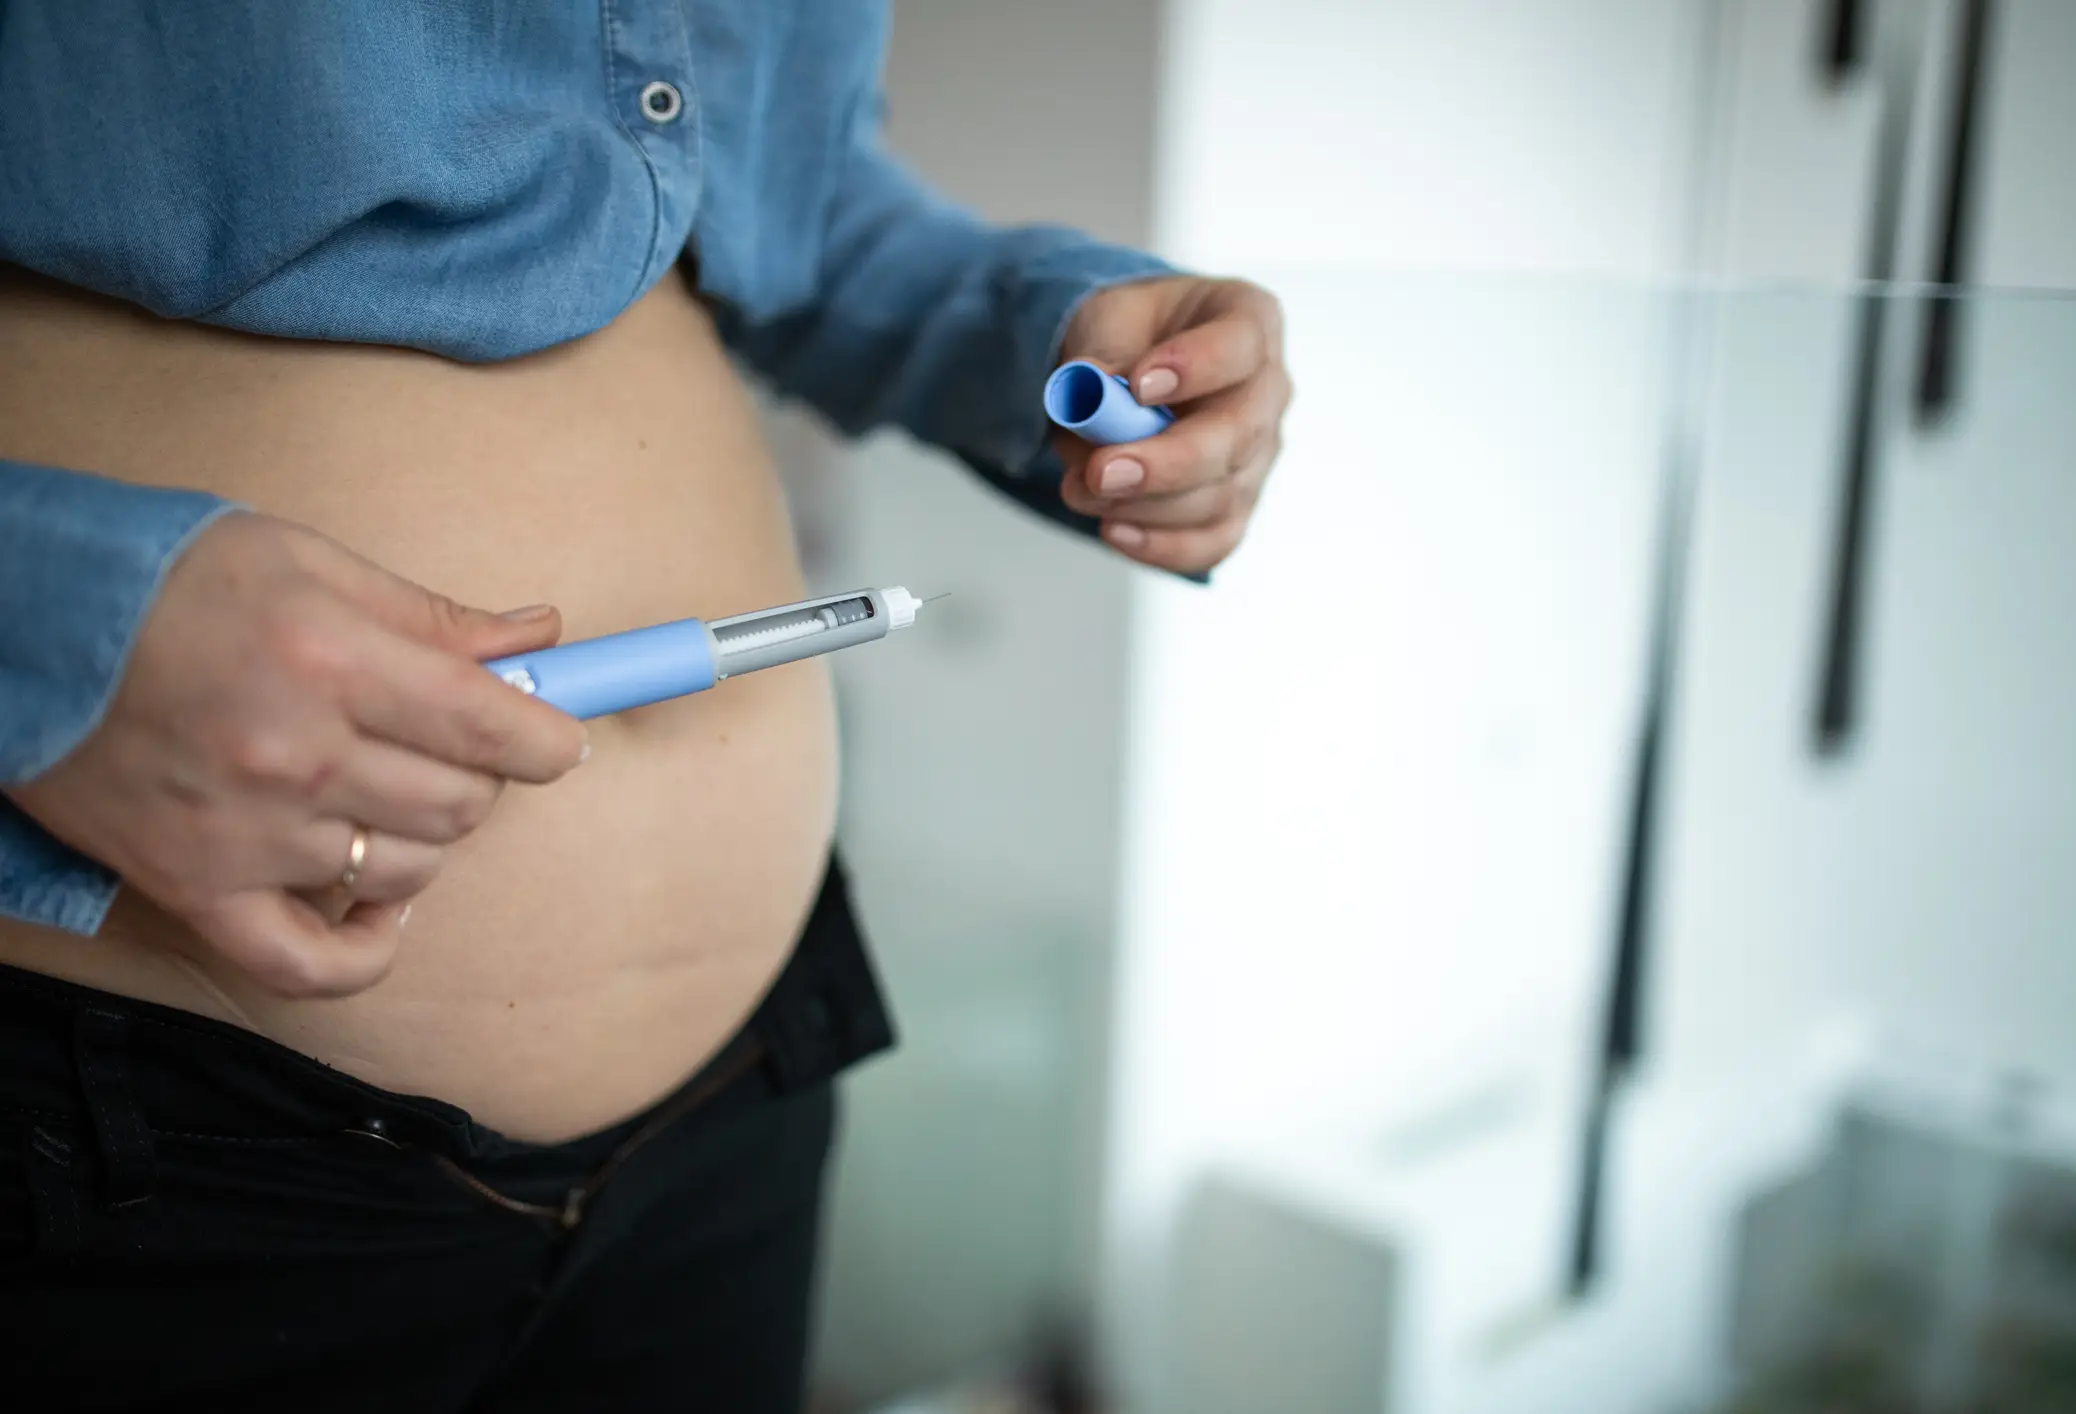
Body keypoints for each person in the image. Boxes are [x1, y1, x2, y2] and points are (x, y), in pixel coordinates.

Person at [0, 5, 1288, 1411]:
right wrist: (52, 624)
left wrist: (1042, 333)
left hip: (735, 1114)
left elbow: (781, 206)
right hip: (159, 1154)